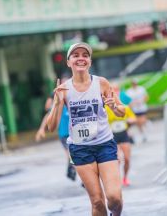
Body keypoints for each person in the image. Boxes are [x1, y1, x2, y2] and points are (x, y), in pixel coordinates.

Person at [47, 42, 125, 216]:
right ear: (68, 62)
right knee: (97, 202)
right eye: (76, 55)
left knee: (115, 199)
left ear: (89, 61)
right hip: (80, 149)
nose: (81, 58)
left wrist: (114, 107)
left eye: (85, 55)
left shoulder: (101, 83)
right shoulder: (64, 89)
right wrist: (58, 103)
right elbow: (51, 127)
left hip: (105, 145)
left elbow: (122, 112)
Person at [35, 76, 76, 181]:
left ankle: (74, 171)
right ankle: (73, 171)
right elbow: (47, 113)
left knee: (76, 156)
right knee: (71, 155)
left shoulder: (75, 99)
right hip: (64, 134)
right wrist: (41, 129)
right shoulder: (59, 102)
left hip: (76, 133)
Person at [105, 84, 136, 187]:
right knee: (117, 159)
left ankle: (125, 178)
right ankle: (116, 179)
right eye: (113, 90)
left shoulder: (124, 107)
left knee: (127, 159)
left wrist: (129, 120)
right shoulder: (106, 107)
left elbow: (133, 118)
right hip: (112, 135)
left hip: (124, 134)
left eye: (117, 90)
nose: (115, 92)